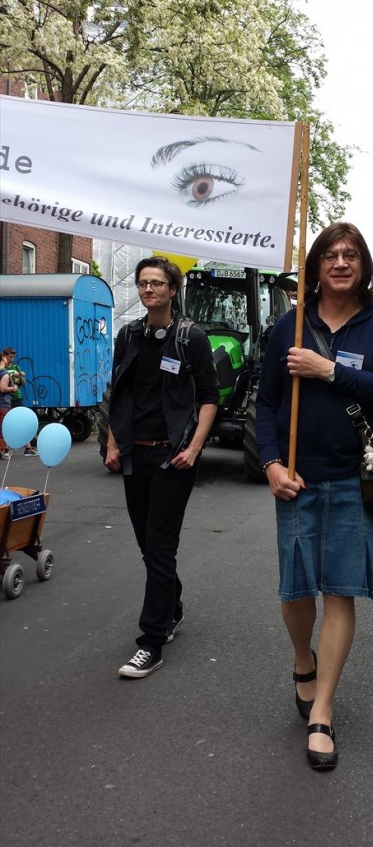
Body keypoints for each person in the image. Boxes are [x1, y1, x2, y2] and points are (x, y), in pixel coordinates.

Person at [256, 222, 373, 770]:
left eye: (351, 254)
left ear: (363, 265)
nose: (341, 262)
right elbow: (267, 403)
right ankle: (303, 659)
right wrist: (271, 463)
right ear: (315, 267)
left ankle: (322, 710)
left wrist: (328, 369)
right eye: (330, 255)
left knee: (340, 592)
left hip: (353, 479)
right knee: (296, 591)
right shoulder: (288, 325)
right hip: (296, 479)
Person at [105, 256, 219, 679]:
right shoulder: (129, 335)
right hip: (136, 454)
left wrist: (194, 447)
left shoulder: (191, 338)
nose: (148, 290)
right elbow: (119, 391)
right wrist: (113, 442)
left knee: (159, 545)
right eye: (142, 284)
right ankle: (171, 606)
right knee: (146, 544)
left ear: (173, 290)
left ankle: (151, 641)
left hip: (174, 457)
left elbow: (208, 397)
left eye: (156, 283)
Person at [3, 348, 37, 454]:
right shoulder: (2, 368)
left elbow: (23, 383)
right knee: (6, 423)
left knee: (21, 422)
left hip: (17, 397)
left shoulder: (16, 367)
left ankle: (28, 447)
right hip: (6, 399)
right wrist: (13, 375)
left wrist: (22, 376)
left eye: (13, 357)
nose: (12, 359)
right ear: (4, 357)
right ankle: (5, 448)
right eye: (10, 357)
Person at [0, 351, 19, 459]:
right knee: (3, 429)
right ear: (3, 357)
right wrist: (13, 388)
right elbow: (2, 388)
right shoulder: (4, 373)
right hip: (3, 404)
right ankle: (3, 451)